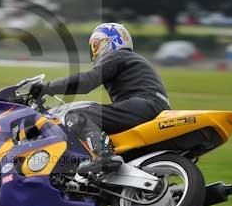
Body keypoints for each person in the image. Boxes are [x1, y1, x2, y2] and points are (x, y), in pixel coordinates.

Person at [30, 23, 170, 176]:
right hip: (155, 108)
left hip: (141, 106)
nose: (94, 51)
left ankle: (104, 157)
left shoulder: (117, 55)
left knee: (77, 116)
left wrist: (48, 87)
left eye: (96, 46)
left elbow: (87, 81)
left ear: (108, 42)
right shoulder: (134, 59)